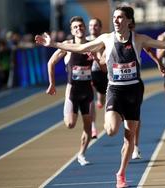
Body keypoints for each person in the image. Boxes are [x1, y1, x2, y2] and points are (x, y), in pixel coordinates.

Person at [35, 5, 165, 188]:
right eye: (114, 17)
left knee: (130, 137)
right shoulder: (107, 39)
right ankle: (114, 122)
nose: (116, 20)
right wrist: (53, 44)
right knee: (110, 130)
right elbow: (80, 47)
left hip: (133, 91)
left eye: (120, 17)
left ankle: (121, 174)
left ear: (128, 21)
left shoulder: (138, 39)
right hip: (116, 90)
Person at [45, 16, 94, 166]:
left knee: (88, 127)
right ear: (72, 31)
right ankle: (69, 108)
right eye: (75, 27)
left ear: (84, 28)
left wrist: (97, 59)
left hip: (87, 91)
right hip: (72, 91)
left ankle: (81, 154)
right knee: (70, 124)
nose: (79, 29)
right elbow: (51, 62)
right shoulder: (67, 45)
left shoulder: (93, 45)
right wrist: (52, 84)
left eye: (80, 26)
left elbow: (104, 63)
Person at [86, 18, 108, 139]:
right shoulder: (85, 41)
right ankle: (93, 127)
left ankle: (100, 101)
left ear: (100, 27)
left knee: (101, 99)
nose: (93, 28)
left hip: (102, 72)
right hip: (88, 73)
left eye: (95, 25)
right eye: (91, 25)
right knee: (90, 99)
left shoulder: (105, 40)